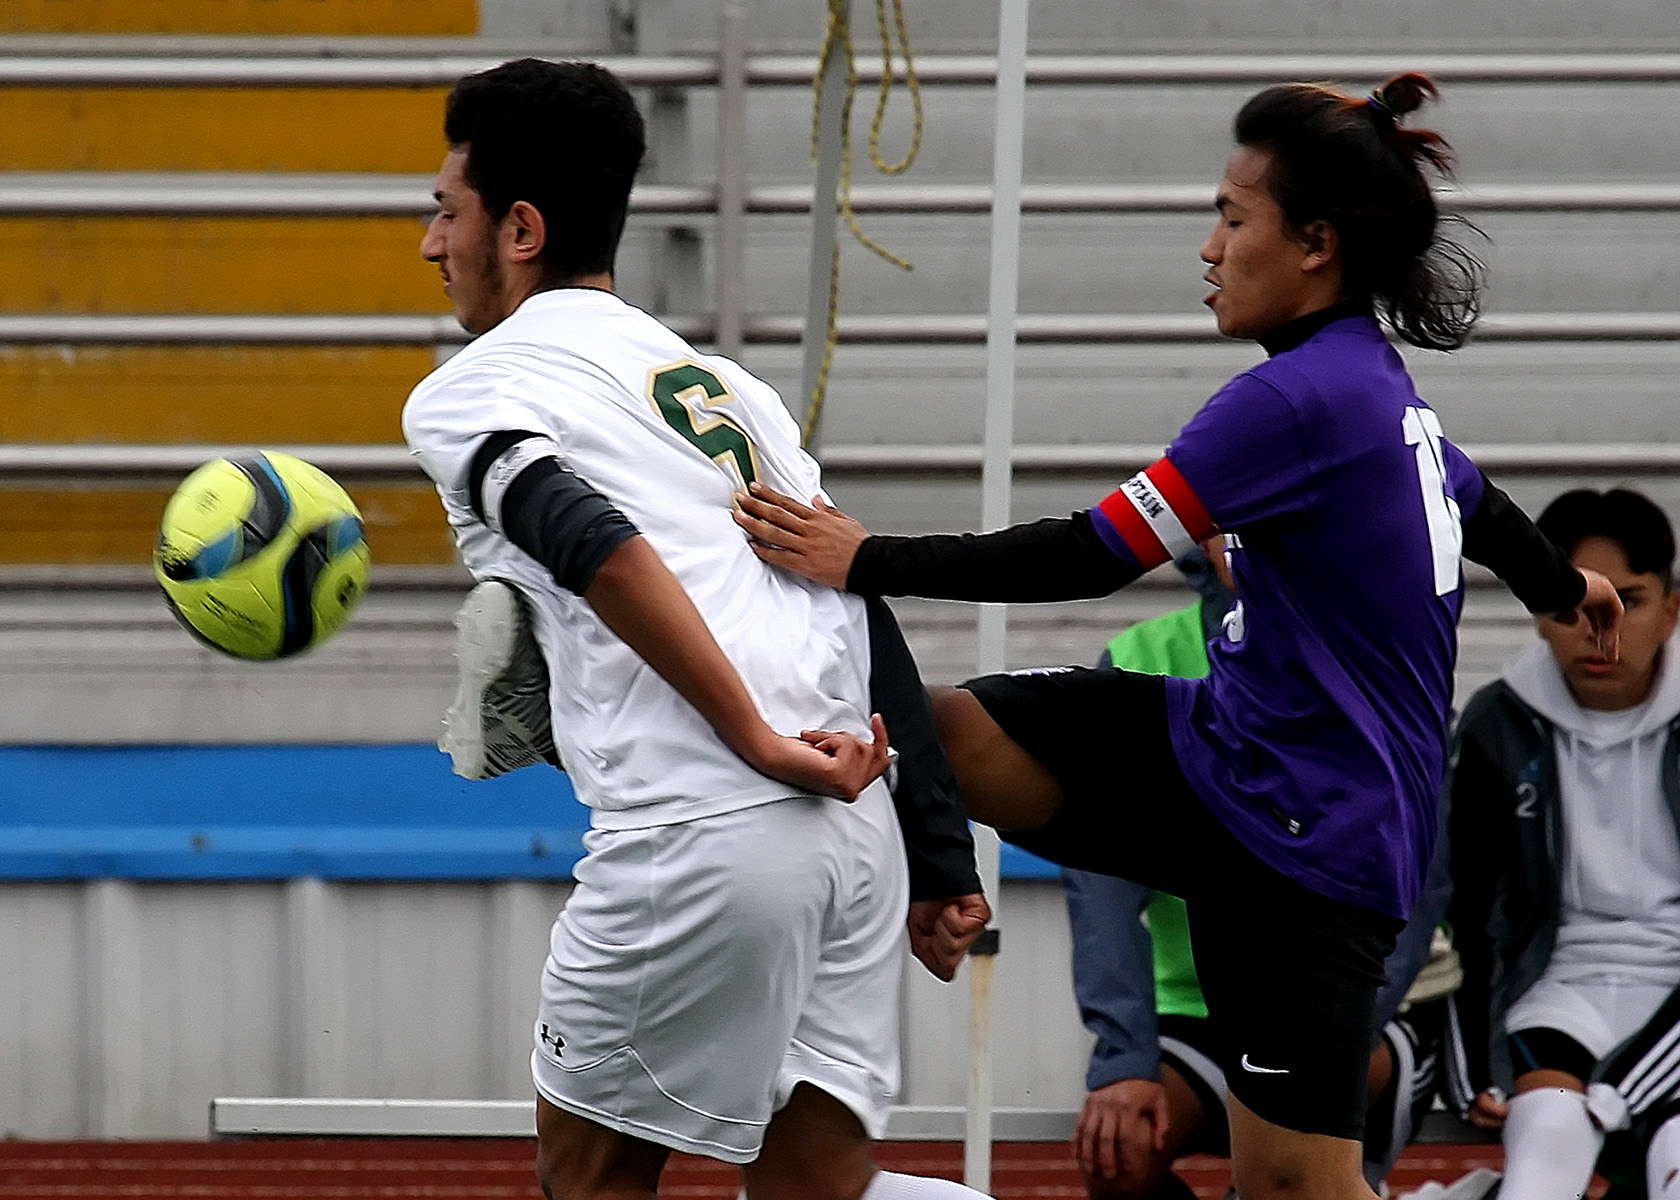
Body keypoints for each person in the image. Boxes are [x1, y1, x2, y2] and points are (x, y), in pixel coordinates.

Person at [734, 72, 1624, 1200]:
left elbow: (1088, 554)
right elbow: (1481, 503)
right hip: (1225, 757)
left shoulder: (1300, 402)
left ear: (1315, 245)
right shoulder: (1376, 392)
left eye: (1232, 216)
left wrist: (869, 559)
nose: (1208, 247)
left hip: (1322, 840)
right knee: (949, 734)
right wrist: (1566, 587)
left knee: (1292, 1188)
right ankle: (934, 898)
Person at [401, 58, 990, 1200]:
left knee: (591, 1179)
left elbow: (599, 545)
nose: (431, 242)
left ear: (518, 228)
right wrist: (935, 843)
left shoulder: (472, 388)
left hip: (712, 821)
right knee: (816, 1189)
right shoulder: (724, 387)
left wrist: (753, 740)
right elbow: (848, 590)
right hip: (853, 829)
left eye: (445, 209)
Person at [1066, 548, 1456, 1200]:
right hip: (1199, 1013)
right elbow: (1100, 884)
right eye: (1230, 506)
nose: (1245, 529)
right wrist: (1124, 1057)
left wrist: (1328, 1029)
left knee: (1289, 1172)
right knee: (1121, 1153)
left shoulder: (1390, 662)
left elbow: (1423, 888)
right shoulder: (1142, 657)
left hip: (1362, 1010)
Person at [1444, 488, 1680, 1200]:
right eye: (1568, 606)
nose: (1597, 629)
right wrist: (1475, 1066)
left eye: (1628, 602)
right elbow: (1467, 914)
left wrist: (1619, 1091)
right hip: (1557, 993)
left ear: (1672, 608)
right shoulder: (1495, 723)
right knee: (1546, 1144)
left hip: (1673, 997)